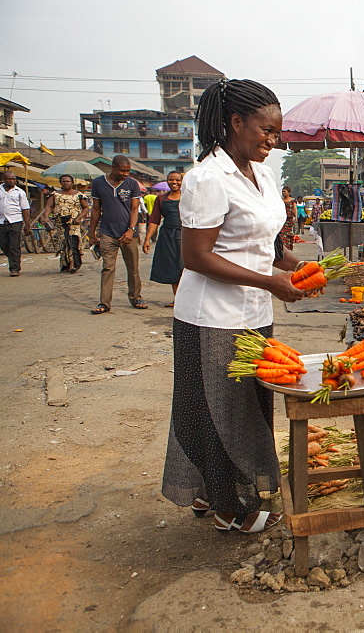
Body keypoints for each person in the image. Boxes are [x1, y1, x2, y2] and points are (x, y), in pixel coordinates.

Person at [161, 78, 307, 534]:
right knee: (217, 409)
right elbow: (197, 257)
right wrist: (270, 281)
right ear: (235, 122)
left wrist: (300, 269)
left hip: (253, 313)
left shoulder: (264, 175)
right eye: (266, 130)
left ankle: (213, 492)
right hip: (211, 318)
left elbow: (265, 243)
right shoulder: (207, 178)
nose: (272, 140)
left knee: (244, 403)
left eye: (278, 133)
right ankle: (229, 507)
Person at [88, 156, 145, 313]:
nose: (126, 173)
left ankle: (136, 297)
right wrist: (91, 232)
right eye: (123, 170)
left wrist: (131, 229)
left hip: (128, 233)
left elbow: (135, 209)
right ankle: (104, 303)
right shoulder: (99, 183)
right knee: (107, 268)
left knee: (133, 268)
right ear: (113, 167)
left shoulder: (132, 184)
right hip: (107, 232)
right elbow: (95, 209)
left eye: (128, 170)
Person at [143, 171, 184, 306]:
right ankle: (177, 299)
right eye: (171, 180)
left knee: (186, 267)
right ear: (167, 181)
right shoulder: (161, 199)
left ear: (182, 181)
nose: (174, 182)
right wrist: (147, 239)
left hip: (186, 236)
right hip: (168, 237)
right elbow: (154, 221)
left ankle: (188, 300)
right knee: (173, 267)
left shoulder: (188, 197)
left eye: (177, 180)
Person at [41, 174, 90, 273]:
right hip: (60, 222)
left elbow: (86, 208)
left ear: (72, 182)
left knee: (73, 241)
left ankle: (73, 264)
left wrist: (79, 217)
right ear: (60, 183)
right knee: (63, 243)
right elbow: (49, 207)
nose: (66, 183)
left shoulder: (78, 195)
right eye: (63, 181)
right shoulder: (55, 194)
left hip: (74, 222)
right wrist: (46, 217)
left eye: (68, 181)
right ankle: (65, 264)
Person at [0, 171, 31, 277]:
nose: (12, 181)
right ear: (3, 179)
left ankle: (14, 268)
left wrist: (27, 224)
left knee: (14, 245)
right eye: (9, 179)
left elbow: (25, 209)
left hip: (15, 221)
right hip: (1, 221)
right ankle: (13, 259)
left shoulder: (20, 192)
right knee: (3, 244)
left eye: (13, 179)